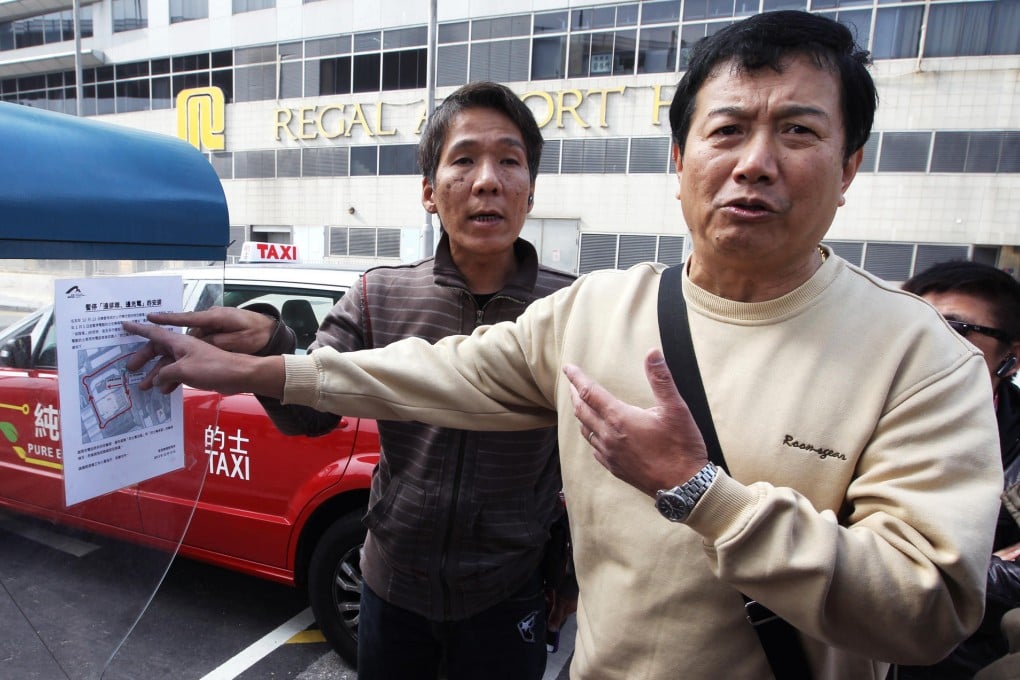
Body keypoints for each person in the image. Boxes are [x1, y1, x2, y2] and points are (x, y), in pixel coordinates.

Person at [124, 11, 1003, 679]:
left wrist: (700, 494)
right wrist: (266, 359)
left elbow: (930, 608)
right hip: (407, 590)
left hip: (506, 602)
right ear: (679, 156)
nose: (755, 162)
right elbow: (435, 373)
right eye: (728, 130)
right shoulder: (586, 310)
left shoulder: (924, 359)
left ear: (850, 166)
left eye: (800, 132)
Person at [141, 81, 577, 679]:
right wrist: (272, 347)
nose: (487, 181)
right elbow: (312, 414)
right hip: (392, 584)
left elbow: (596, 467)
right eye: (464, 159)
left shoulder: (572, 306)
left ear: (531, 189)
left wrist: (569, 574)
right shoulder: (381, 295)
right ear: (429, 191)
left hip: (508, 590)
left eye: (509, 160)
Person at [892, 260, 1020, 678]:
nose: (927, 340)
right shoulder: (851, 417)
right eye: (913, 322)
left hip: (962, 659)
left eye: (957, 328)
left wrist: (908, 574)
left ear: (1011, 358)